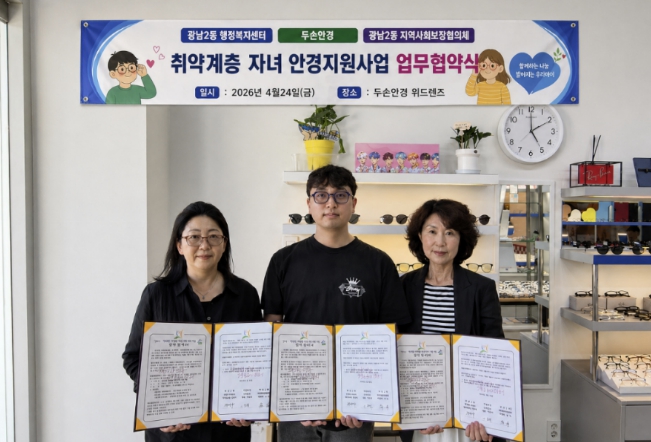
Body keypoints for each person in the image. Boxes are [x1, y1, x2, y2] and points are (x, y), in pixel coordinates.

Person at [262, 165, 411, 442]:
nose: (330, 203)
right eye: (321, 195)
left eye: (340, 195)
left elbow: (390, 335)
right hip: (297, 404)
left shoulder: (379, 263)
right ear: (308, 203)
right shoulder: (283, 261)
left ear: (354, 203)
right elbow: (272, 332)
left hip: (355, 407)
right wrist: (285, 396)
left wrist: (370, 397)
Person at [122, 201, 262, 442]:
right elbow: (133, 358)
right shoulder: (156, 295)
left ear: (224, 244)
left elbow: (258, 360)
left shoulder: (245, 295)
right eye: (194, 237)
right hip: (173, 434)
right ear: (179, 245)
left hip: (228, 432)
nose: (204, 245)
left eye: (213, 236)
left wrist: (251, 406)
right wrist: (157, 404)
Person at [399, 199, 504, 442]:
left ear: (461, 239)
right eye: (432, 231)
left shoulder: (481, 288)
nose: (440, 242)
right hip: (422, 409)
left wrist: (488, 415)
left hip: (470, 413)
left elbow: (494, 356)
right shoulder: (403, 286)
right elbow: (398, 352)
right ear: (420, 236)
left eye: (450, 233)